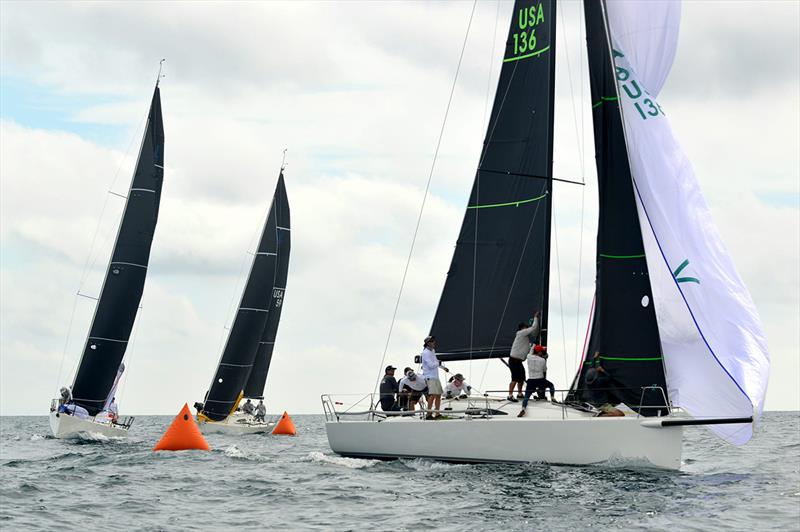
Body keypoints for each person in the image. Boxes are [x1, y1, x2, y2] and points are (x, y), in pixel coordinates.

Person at [508, 311, 541, 401]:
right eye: (526, 327)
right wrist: (535, 318)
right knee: (515, 378)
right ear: (523, 328)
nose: (527, 329)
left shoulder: (525, 338)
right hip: (513, 360)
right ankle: (510, 395)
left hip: (518, 361)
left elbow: (534, 331)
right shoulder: (521, 333)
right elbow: (533, 328)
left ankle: (519, 393)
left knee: (522, 377)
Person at [517, 344, 556, 418]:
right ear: (539, 352)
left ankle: (523, 409)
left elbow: (531, 351)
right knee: (551, 385)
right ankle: (553, 398)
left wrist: (534, 345)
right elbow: (544, 370)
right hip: (540, 379)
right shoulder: (542, 360)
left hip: (531, 380)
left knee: (526, 397)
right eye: (541, 351)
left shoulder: (529, 357)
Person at [585, 351, 624, 417]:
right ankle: (600, 416)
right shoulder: (599, 382)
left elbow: (591, 368)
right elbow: (609, 377)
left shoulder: (587, 381)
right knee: (620, 414)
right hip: (603, 405)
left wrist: (595, 358)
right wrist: (603, 371)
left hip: (596, 403)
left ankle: (601, 413)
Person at [420, 335, 449, 419]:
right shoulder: (425, 353)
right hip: (429, 376)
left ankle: (437, 413)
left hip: (435, 377)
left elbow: (435, 362)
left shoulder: (432, 351)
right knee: (432, 395)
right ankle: (428, 414)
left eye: (434, 341)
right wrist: (438, 363)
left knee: (438, 395)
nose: (434, 342)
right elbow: (431, 365)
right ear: (428, 343)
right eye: (432, 341)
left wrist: (443, 368)